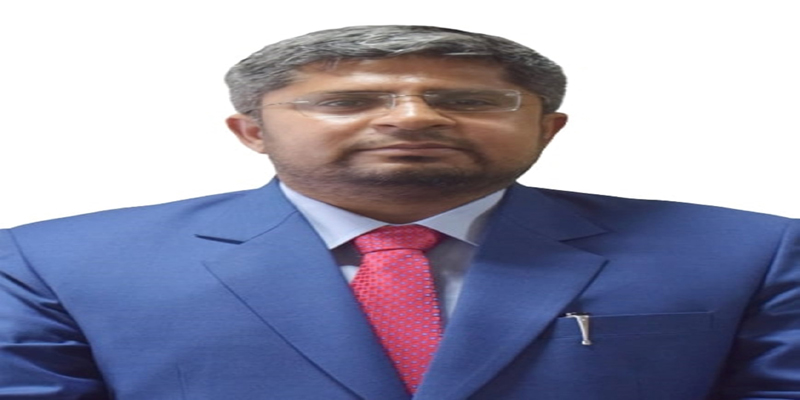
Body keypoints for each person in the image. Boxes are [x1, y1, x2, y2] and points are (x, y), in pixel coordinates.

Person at [1, 25, 798, 400]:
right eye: (348, 101)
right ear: (251, 131)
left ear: (547, 129)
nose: (413, 118)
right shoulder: (55, 263)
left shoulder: (749, 252)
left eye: (469, 100)